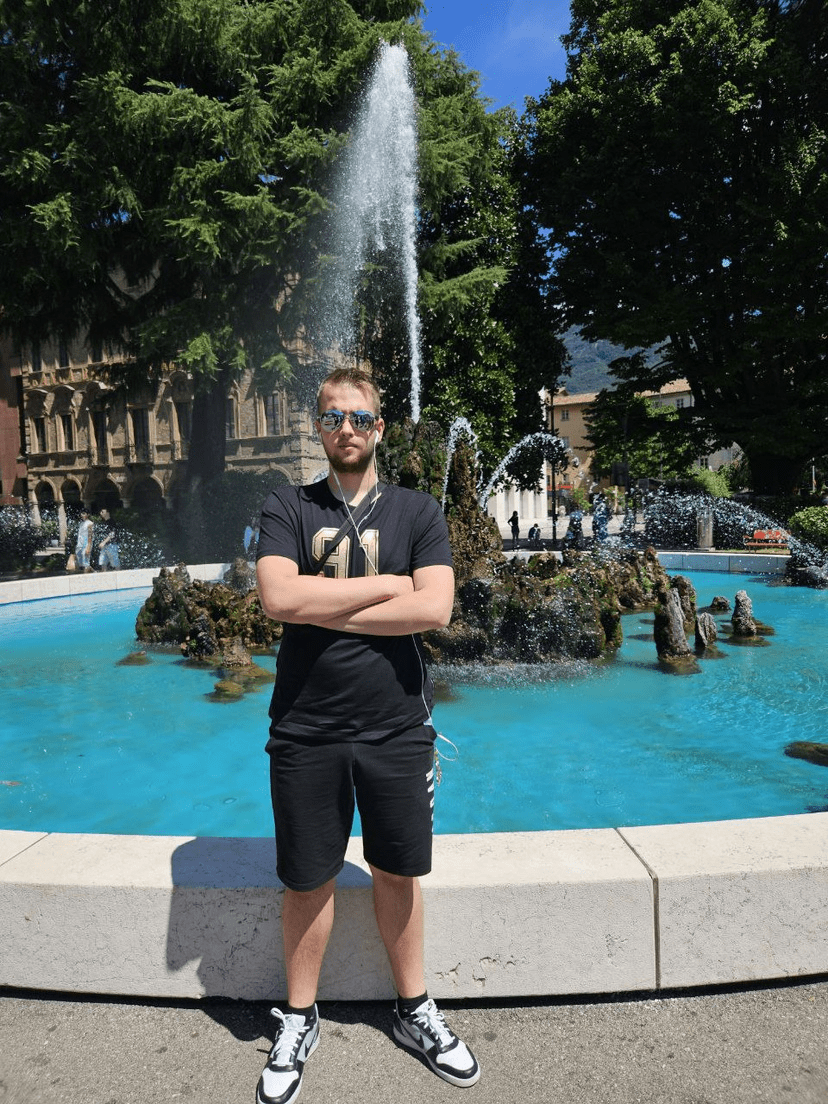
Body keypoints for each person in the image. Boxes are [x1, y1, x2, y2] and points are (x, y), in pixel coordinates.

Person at [255, 367, 480, 1104]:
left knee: (397, 872)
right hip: (305, 728)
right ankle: (298, 1018)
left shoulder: (418, 510)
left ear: (379, 427)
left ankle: (415, 1010)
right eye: (331, 418)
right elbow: (278, 596)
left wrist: (322, 605)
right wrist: (388, 586)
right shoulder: (287, 505)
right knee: (306, 878)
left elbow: (435, 610)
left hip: (398, 729)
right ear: (317, 428)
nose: (345, 428)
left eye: (358, 417)